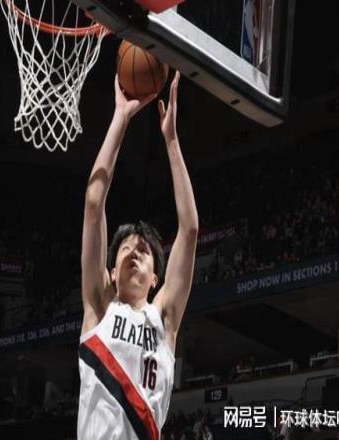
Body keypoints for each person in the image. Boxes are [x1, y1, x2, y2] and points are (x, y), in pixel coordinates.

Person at [77, 71, 198, 439]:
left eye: (143, 251)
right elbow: (94, 203)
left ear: (156, 278)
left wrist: (171, 140)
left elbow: (189, 229)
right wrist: (120, 117)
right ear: (111, 271)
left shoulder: (163, 318)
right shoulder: (100, 305)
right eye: (125, 248)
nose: (133, 252)